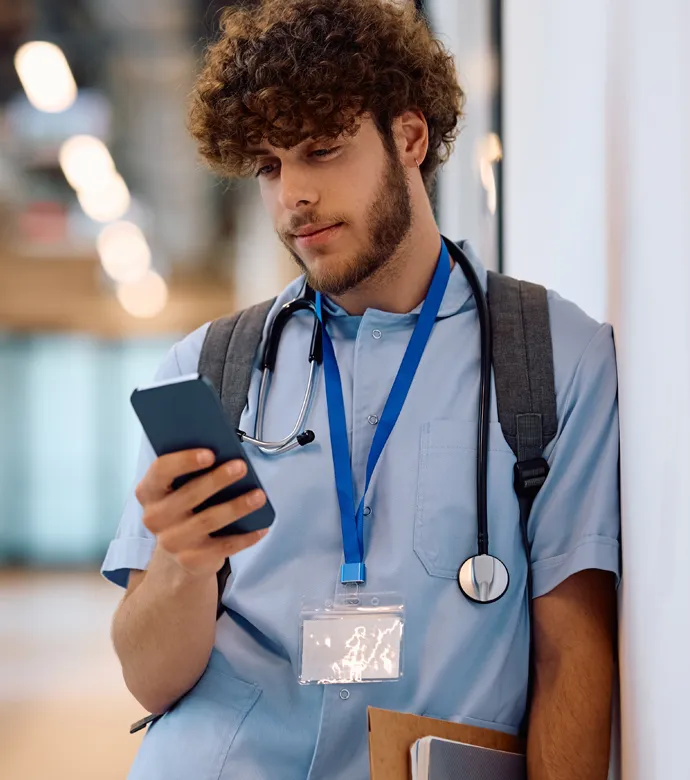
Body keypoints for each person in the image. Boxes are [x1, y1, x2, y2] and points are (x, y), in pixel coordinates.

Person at [102, 1, 620, 778]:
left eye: (322, 149)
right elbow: (149, 680)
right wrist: (183, 561)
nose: (292, 199)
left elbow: (571, 654)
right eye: (271, 166)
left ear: (410, 137)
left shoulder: (549, 359)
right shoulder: (208, 370)